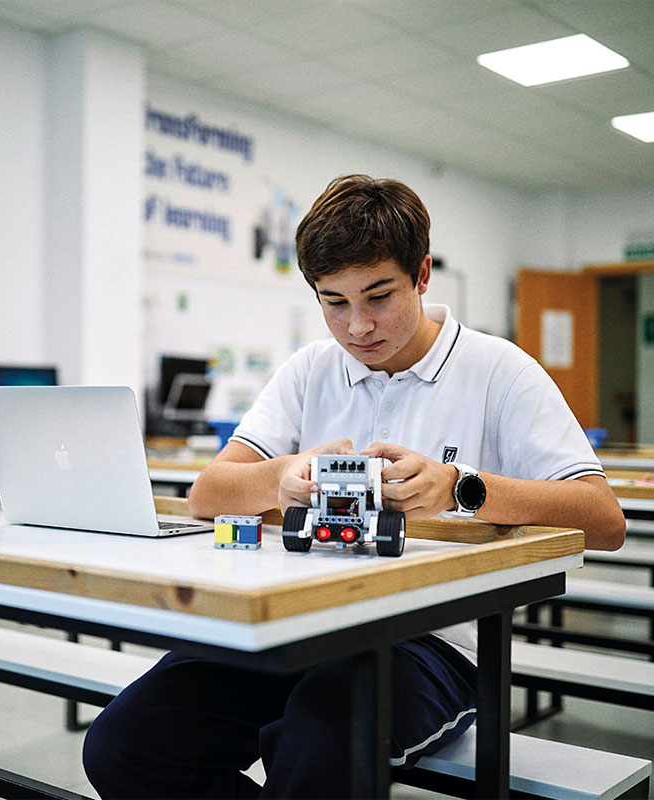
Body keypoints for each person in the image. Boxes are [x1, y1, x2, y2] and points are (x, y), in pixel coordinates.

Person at [82, 174, 626, 798]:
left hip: (430, 640)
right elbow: (209, 493)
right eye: (333, 302)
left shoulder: (499, 371)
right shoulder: (310, 370)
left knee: (318, 744)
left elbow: (604, 519)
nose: (357, 327)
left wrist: (459, 487)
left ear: (422, 275)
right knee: (125, 743)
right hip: (296, 619)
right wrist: (280, 476)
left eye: (378, 296)